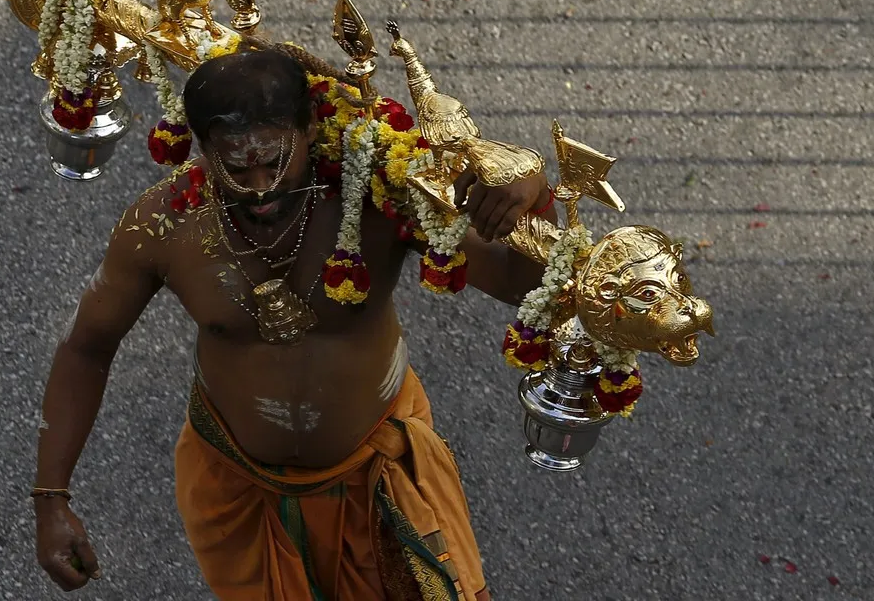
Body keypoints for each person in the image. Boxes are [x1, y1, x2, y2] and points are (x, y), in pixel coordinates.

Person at [32, 46, 558, 599]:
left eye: (274, 161)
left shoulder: (385, 199)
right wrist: (51, 499)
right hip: (238, 496)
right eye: (235, 168)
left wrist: (532, 196)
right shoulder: (165, 227)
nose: (259, 188)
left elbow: (518, 283)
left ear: (310, 129)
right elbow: (86, 348)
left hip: (382, 479)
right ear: (202, 151)